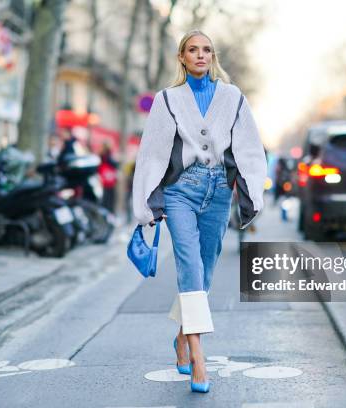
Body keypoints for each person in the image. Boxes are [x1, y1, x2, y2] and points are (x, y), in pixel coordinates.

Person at [132, 29, 266, 393]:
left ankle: (180, 336)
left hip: (219, 193)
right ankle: (198, 355)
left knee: (204, 272)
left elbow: (250, 147)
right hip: (180, 194)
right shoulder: (167, 99)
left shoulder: (232, 97)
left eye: (207, 49)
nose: (200, 55)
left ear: (213, 56)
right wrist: (148, 200)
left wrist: (252, 191)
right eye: (193, 50)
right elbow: (153, 153)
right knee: (189, 266)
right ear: (182, 57)